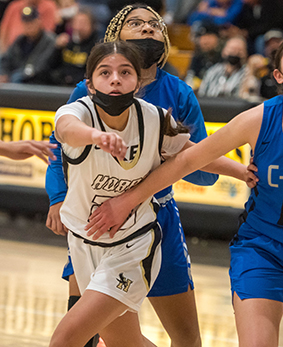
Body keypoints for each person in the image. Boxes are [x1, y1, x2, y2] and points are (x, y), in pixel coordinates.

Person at [86, 29, 283, 347]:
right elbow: (185, 161)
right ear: (278, 74)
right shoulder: (257, 119)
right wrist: (127, 201)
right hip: (263, 249)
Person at [45, 4, 255, 347]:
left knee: (181, 337)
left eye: (154, 25)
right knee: (112, 339)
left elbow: (196, 159)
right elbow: (62, 138)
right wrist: (57, 195)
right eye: (136, 23)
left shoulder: (163, 108)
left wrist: (240, 172)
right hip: (89, 225)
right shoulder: (83, 100)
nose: (147, 30)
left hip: (148, 222)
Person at [0, 6, 56, 84]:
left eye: (31, 22)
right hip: (17, 75)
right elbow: (6, 59)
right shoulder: (20, 40)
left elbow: (42, 66)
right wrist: (3, 73)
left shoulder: (49, 41)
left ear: (39, 22)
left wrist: (21, 74)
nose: (29, 26)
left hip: (38, 81)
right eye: (26, 23)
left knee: (16, 78)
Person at [47, 8, 99, 86]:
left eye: (83, 23)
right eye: (77, 23)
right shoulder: (67, 43)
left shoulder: (96, 46)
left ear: (91, 26)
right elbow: (50, 66)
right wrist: (57, 48)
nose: (79, 27)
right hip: (61, 85)